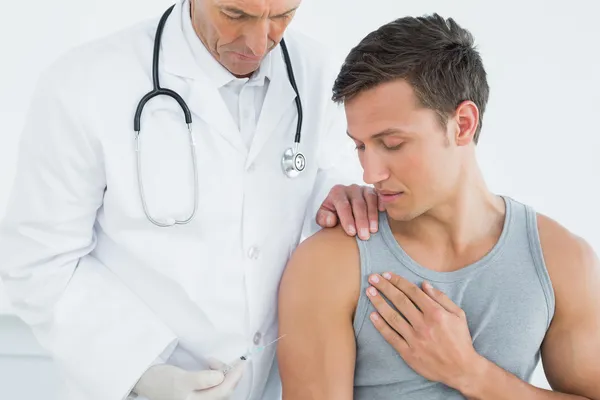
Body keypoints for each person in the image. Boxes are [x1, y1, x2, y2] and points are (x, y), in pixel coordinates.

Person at [0, 1, 381, 399]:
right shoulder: (86, 82)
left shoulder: (314, 71)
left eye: (282, 16)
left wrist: (339, 198)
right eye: (235, 15)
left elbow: (324, 177)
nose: (256, 43)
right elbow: (38, 261)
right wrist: (144, 372)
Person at [277, 13, 600, 400]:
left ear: (462, 124)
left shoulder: (561, 260)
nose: (370, 171)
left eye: (392, 143)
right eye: (360, 146)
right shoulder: (329, 262)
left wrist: (472, 374)